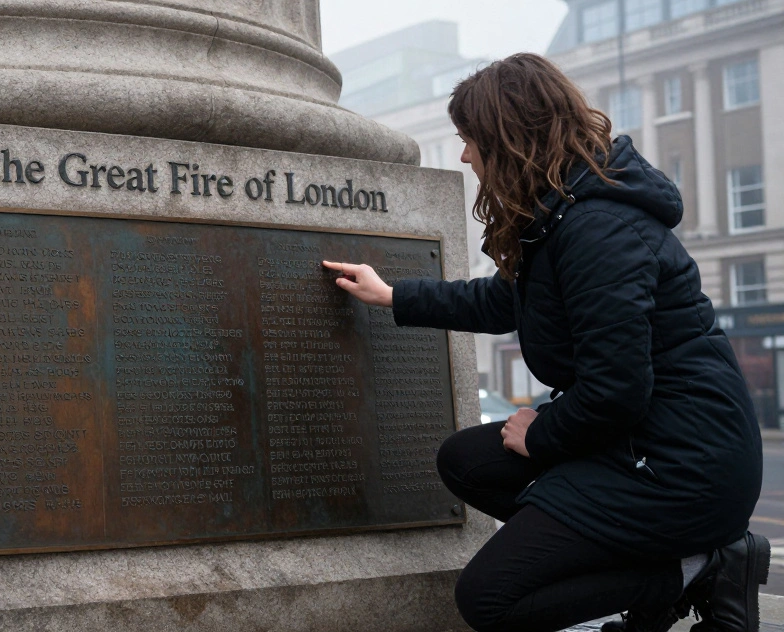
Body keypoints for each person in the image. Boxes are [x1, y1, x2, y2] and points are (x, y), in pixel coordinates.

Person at [323, 53, 768, 632]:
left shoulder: (597, 229)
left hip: (683, 468)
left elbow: (617, 390)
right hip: (641, 444)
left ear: (508, 138)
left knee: (489, 599)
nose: (463, 155)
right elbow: (507, 301)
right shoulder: (564, 215)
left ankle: (695, 569)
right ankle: (652, 557)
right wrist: (393, 296)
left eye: (469, 139)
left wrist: (542, 436)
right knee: (467, 461)